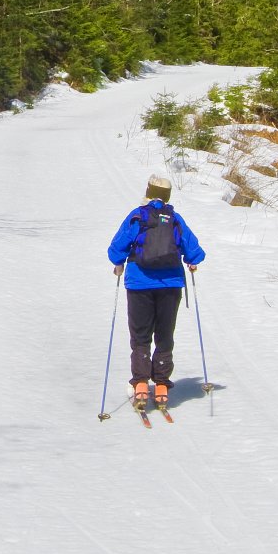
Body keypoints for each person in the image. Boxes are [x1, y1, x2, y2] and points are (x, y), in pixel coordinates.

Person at [106, 175, 205, 411]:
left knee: (140, 335)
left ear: (148, 193)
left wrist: (118, 262)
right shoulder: (174, 218)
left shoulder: (138, 215)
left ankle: (141, 383)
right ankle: (161, 385)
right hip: (170, 285)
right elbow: (193, 249)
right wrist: (192, 261)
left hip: (140, 283)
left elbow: (117, 247)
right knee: (164, 333)